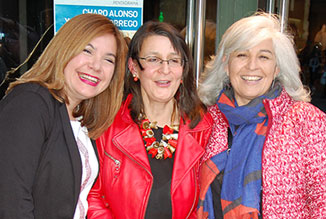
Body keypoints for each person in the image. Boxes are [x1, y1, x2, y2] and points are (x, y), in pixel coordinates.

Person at [197, 12, 326, 218]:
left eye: (264, 56)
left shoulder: (308, 122)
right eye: (241, 55)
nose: (252, 66)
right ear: (225, 63)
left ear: (276, 68)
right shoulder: (207, 121)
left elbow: (322, 203)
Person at [0, 13, 127, 219]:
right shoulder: (31, 102)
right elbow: (10, 200)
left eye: (108, 60)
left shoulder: (80, 119)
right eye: (87, 51)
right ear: (64, 49)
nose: (96, 66)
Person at [87, 21, 213, 219]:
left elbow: (208, 203)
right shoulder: (108, 124)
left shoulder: (204, 127)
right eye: (154, 59)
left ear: (183, 70)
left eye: (173, 60)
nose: (165, 70)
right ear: (134, 67)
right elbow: (93, 195)